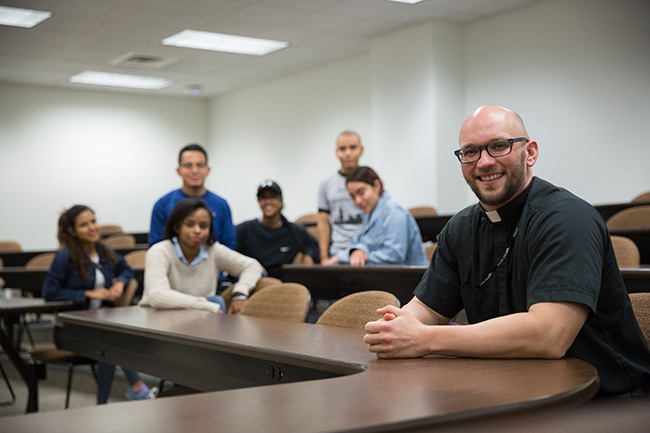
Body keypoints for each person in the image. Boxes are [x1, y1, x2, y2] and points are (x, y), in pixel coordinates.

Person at [363, 105, 650, 398]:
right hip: (508, 392)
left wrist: (426, 339)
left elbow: (549, 336)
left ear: (531, 153)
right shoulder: (459, 229)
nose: (484, 162)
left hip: (602, 400)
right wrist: (397, 326)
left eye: (499, 146)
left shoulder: (567, 218)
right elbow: (425, 310)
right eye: (470, 152)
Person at [43, 205, 157, 403]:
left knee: (109, 343)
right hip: (71, 330)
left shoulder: (104, 251)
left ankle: (107, 402)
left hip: (99, 326)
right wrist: (87, 293)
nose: (92, 227)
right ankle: (135, 391)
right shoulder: (64, 257)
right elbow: (50, 292)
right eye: (84, 225)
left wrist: (120, 282)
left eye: (93, 221)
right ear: (72, 231)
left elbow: (127, 269)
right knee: (110, 344)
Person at [140, 198, 262, 314]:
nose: (197, 230)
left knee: (216, 302)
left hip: (199, 319)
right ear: (177, 227)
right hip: (158, 319)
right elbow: (157, 295)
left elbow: (252, 266)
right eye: (190, 224)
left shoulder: (213, 250)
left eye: (203, 226)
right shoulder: (160, 251)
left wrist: (240, 293)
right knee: (216, 302)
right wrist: (205, 305)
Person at [323, 166, 428, 267]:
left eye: (361, 192)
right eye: (353, 196)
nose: (357, 201)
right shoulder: (369, 214)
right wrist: (357, 251)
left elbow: (395, 256)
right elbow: (357, 242)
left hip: (410, 281)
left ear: (376, 186)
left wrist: (350, 257)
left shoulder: (394, 213)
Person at [148, 143, 236, 249]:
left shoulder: (221, 204)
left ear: (208, 170)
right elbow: (156, 245)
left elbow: (229, 244)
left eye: (200, 165)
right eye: (188, 166)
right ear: (178, 171)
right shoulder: (163, 204)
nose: (195, 171)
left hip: (214, 263)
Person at [236, 180, 319, 280]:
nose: (268, 202)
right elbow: (230, 253)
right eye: (263, 198)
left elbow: (313, 245)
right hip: (255, 281)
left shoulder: (294, 231)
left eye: (272, 197)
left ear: (281, 201)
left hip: (285, 283)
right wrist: (251, 265)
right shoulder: (245, 229)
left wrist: (308, 256)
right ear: (258, 202)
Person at [317, 130, 364, 264]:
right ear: (336, 152)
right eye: (342, 148)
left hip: (366, 253)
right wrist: (324, 257)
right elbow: (323, 222)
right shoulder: (325, 183)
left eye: (353, 147)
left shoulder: (371, 180)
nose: (348, 153)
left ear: (361, 150)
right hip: (337, 253)